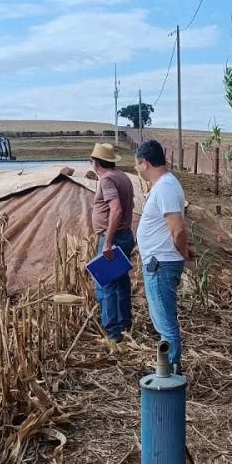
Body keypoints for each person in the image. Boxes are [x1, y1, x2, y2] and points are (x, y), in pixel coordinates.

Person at [134, 139, 189, 371]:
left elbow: (178, 229)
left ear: (145, 163)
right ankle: (169, 367)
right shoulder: (167, 184)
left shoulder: (165, 186)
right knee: (163, 319)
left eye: (136, 164)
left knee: (165, 323)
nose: (136, 168)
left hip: (161, 265)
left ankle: (171, 371)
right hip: (161, 262)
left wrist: (184, 253)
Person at [89, 142, 136, 341]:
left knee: (105, 283)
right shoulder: (122, 177)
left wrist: (107, 242)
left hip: (114, 238)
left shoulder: (107, 180)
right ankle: (125, 324)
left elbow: (115, 209)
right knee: (121, 282)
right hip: (125, 235)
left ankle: (112, 332)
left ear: (95, 162)